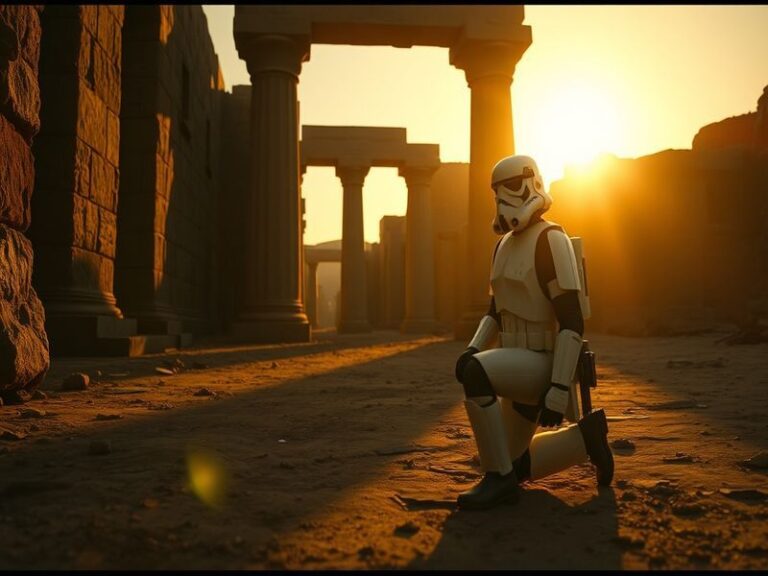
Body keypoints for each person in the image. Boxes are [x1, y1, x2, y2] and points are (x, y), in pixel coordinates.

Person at [454, 154, 614, 510]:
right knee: (513, 463)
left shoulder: (551, 239)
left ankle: (498, 482)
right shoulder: (502, 246)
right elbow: (495, 312)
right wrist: (473, 347)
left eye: (511, 186)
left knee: (476, 374)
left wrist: (558, 386)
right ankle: (586, 440)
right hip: (514, 363)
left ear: (532, 183)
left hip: (543, 364)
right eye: (498, 190)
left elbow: (571, 320)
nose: (503, 198)